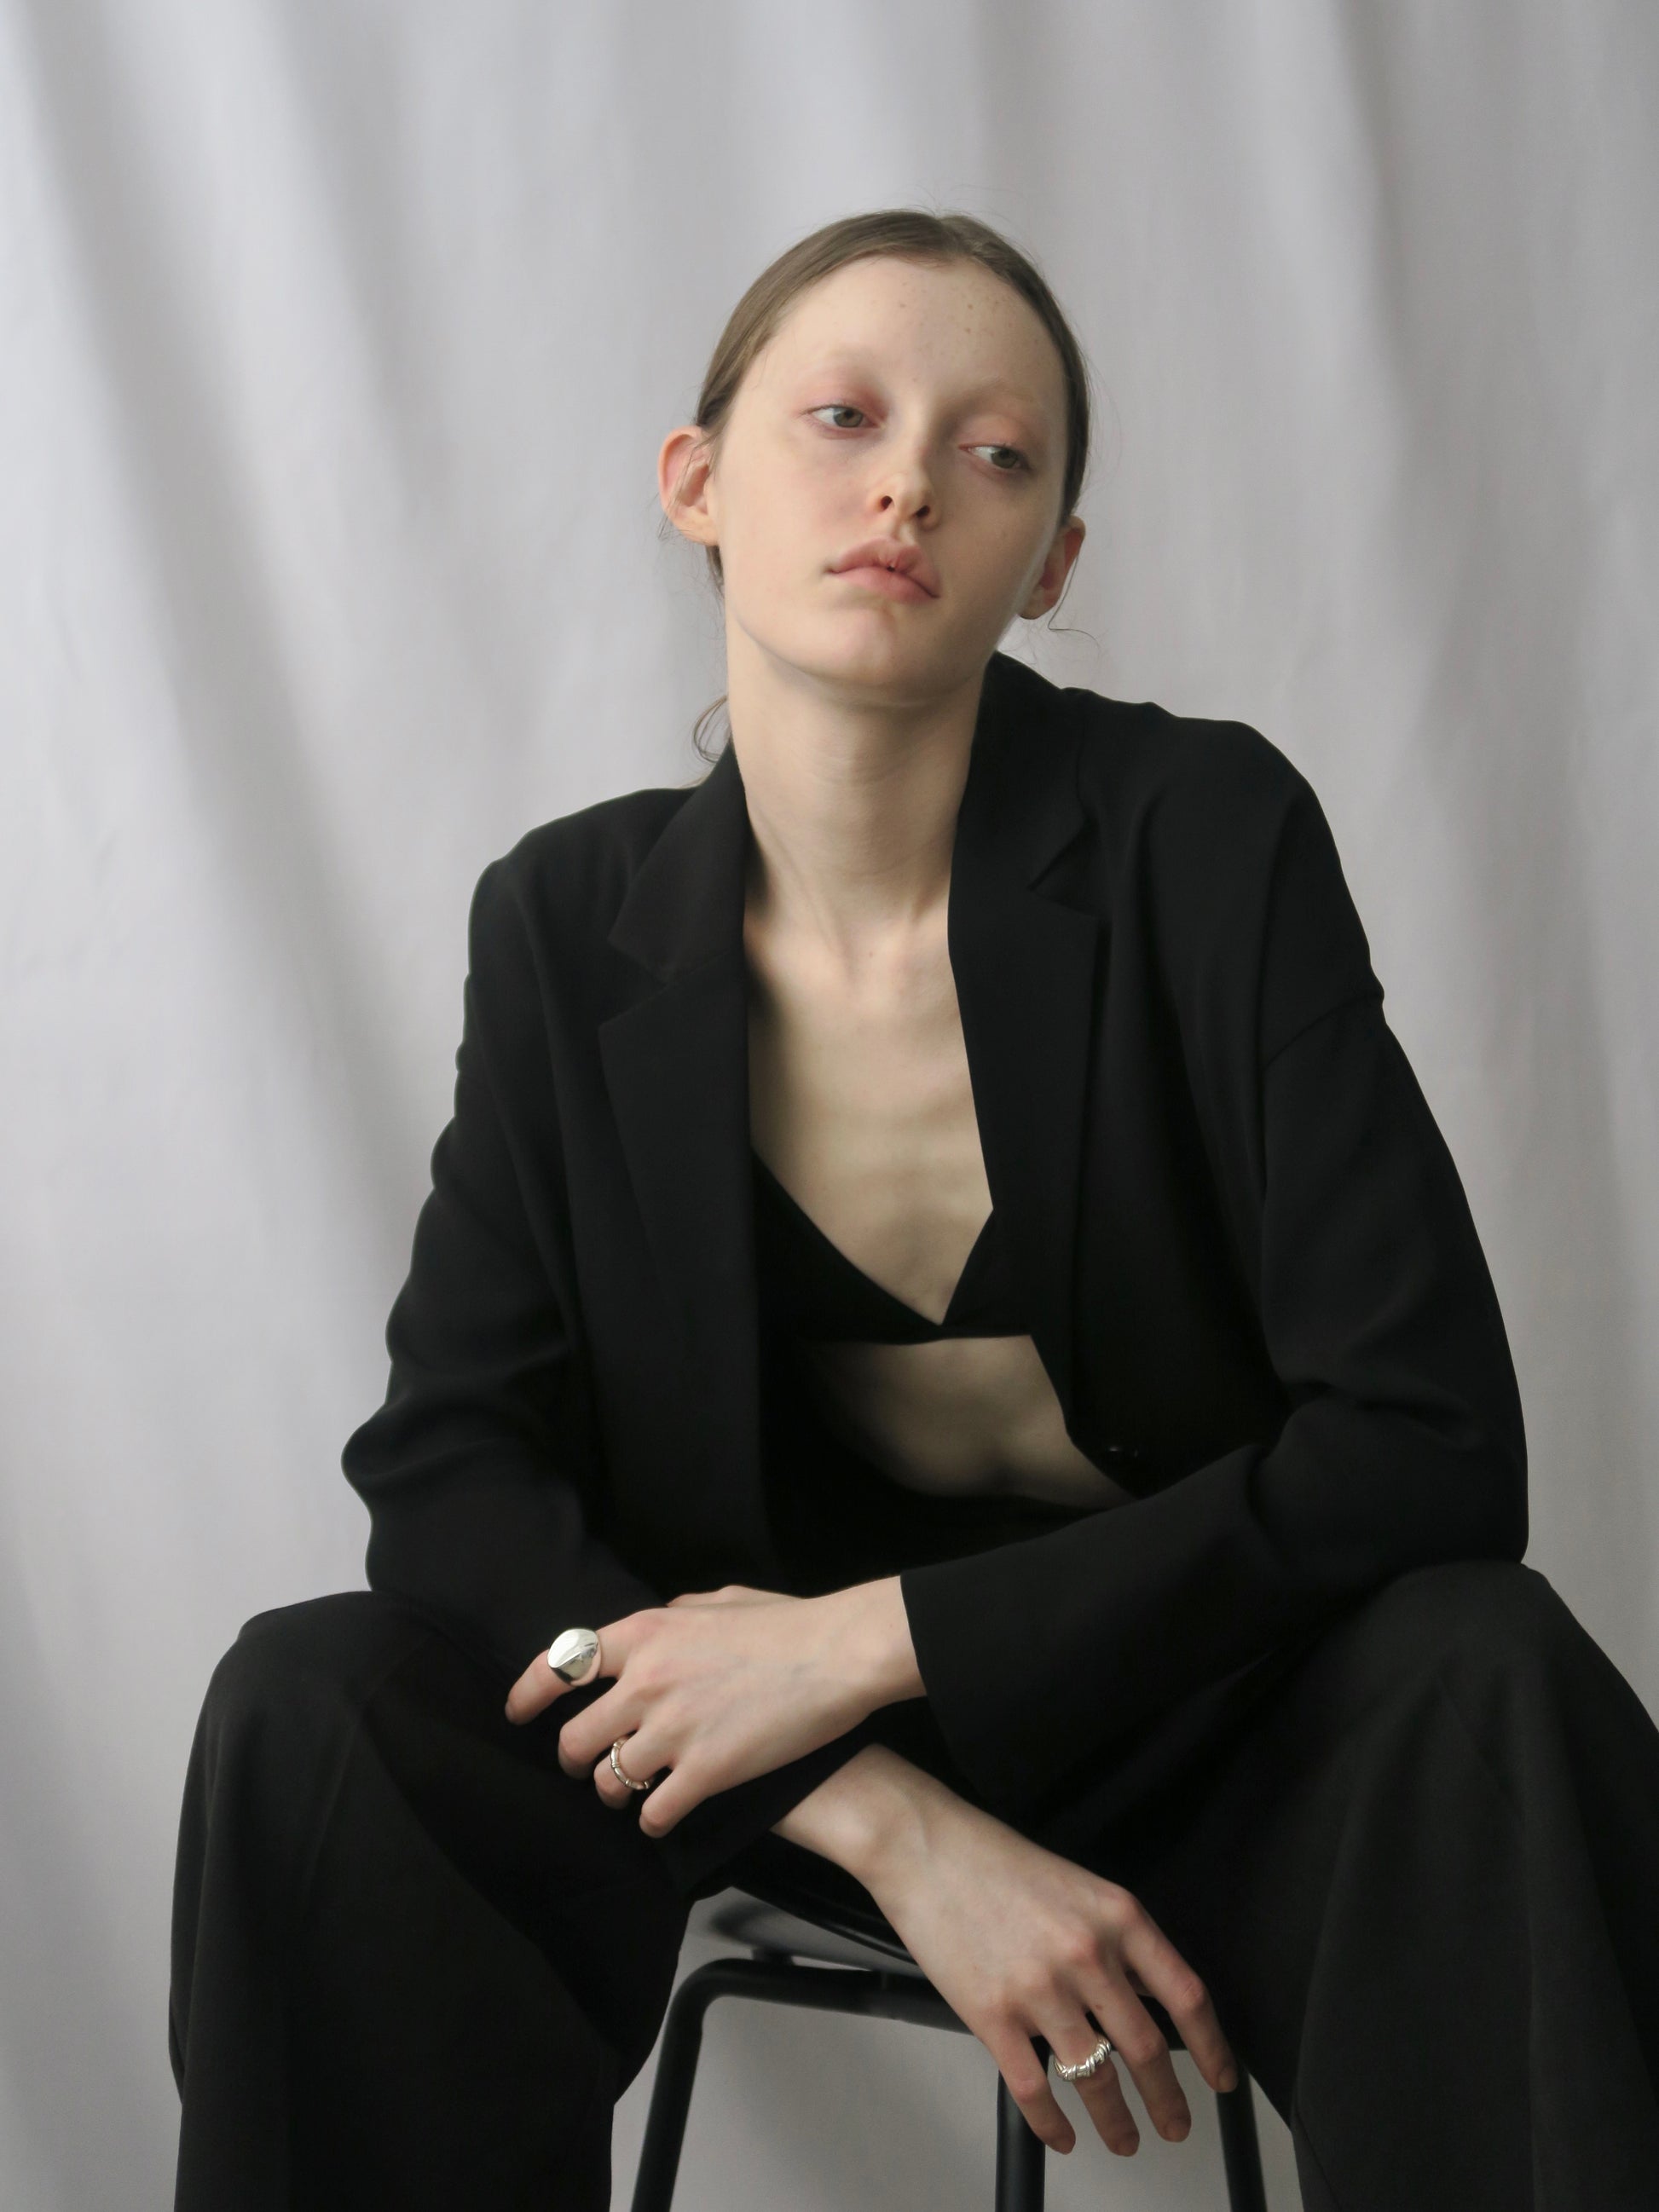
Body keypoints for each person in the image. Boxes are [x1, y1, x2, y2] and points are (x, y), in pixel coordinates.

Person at [169, 208, 1659, 2211]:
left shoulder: (1202, 837)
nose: (907, 485)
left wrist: (863, 1642)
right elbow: (447, 1472)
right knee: (318, 1701)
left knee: (1488, 1673)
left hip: (1206, 1718)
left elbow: (1430, 1446)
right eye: (842, 417)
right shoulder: (563, 921)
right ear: (695, 479)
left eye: (994, 450)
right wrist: (869, 1801)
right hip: (762, 1767)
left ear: (1051, 562)